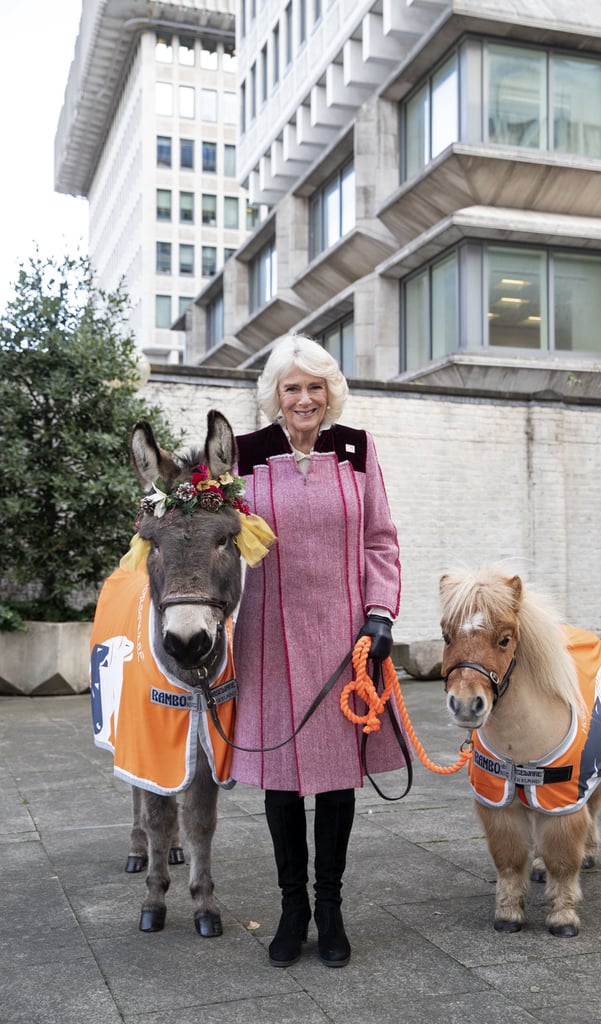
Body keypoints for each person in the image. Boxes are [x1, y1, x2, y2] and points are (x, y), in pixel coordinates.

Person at [231, 333, 407, 969]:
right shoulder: (245, 454)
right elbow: (216, 533)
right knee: (282, 777)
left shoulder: (356, 449)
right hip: (268, 635)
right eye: (291, 387)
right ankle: (291, 907)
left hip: (345, 635)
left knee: (335, 779)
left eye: (314, 386)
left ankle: (329, 907)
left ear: (330, 391)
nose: (304, 398)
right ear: (274, 397)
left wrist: (380, 613)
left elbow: (380, 539)